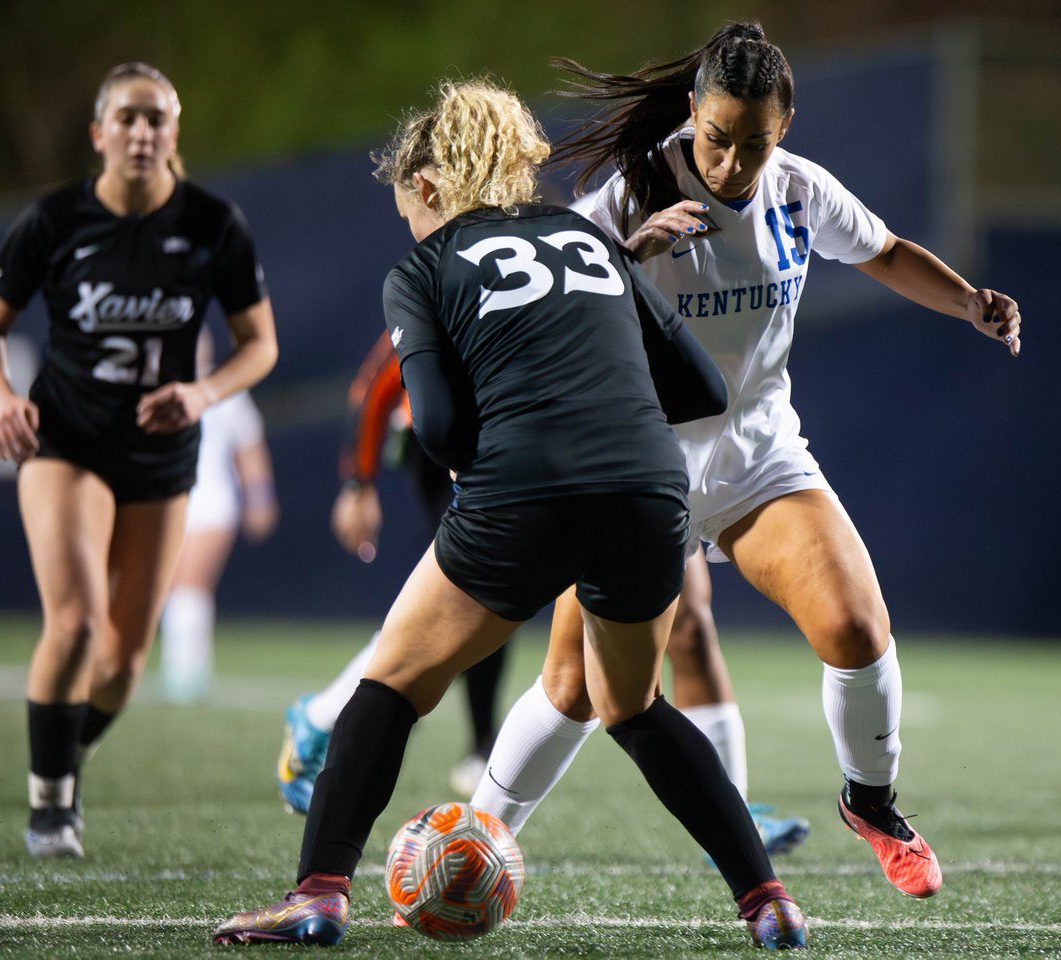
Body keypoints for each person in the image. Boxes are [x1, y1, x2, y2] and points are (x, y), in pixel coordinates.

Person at [212, 78, 806, 951]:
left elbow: (445, 430)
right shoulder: (585, 235)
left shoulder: (420, 267)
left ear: (426, 186)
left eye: (404, 202)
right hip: (649, 491)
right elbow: (703, 389)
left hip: (522, 486)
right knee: (634, 705)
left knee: (389, 685)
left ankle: (319, 895)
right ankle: (768, 902)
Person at [470, 21, 1022, 901]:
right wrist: (632, 250)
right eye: (716, 138)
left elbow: (881, 251)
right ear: (692, 112)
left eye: (753, 143)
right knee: (576, 689)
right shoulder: (639, 187)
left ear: (785, 128)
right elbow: (553, 290)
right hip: (635, 472)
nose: (729, 162)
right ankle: (477, 839)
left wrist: (967, 303)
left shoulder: (799, 192)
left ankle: (871, 803)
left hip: (758, 463)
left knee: (857, 628)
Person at [0, 62, 278, 858]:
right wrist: (0, 399)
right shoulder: (55, 220)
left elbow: (260, 347)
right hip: (68, 438)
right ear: (99, 134)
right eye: (128, 118)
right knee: (76, 623)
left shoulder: (215, 224)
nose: (142, 132)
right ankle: (52, 805)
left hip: (161, 449)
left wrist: (203, 393)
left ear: (173, 133)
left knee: (123, 660)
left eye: (156, 119)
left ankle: (60, 751)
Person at [276, 329, 509, 813]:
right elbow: (375, 385)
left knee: (491, 600)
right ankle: (328, 720)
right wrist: (358, 483)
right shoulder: (445, 274)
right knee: (468, 596)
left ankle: (327, 718)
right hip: (455, 450)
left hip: (511, 440)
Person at [159, 328, 279, 702]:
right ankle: (176, 671)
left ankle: (187, 676)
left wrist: (259, 499)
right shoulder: (156, 389)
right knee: (168, 589)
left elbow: (250, 448)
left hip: (212, 502)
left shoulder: (227, 390)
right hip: (169, 503)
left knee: (192, 586)